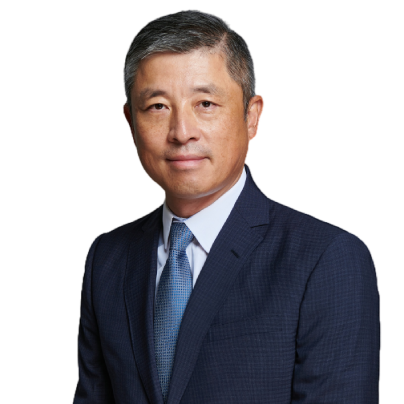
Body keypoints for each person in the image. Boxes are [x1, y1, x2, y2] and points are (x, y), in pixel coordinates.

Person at [73, 9, 381, 404]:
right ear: (130, 124)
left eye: (205, 103)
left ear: (253, 117)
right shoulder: (108, 258)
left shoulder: (326, 259)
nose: (182, 133)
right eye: (158, 107)